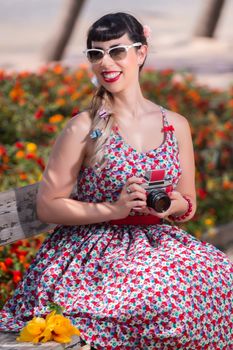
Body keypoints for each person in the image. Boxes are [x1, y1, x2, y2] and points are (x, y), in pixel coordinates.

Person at [0, 12, 232, 350]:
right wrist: (114, 208)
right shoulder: (84, 127)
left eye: (117, 51)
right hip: (91, 256)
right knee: (164, 302)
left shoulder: (176, 125)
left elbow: (187, 202)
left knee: (218, 277)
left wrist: (164, 204)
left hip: (155, 245)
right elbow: (48, 206)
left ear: (141, 53)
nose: (105, 62)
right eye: (96, 53)